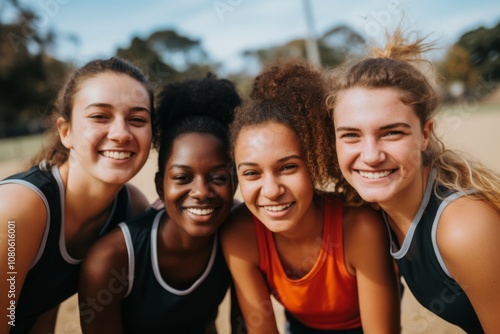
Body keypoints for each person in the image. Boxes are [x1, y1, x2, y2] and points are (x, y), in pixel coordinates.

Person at [325, 29, 500, 333]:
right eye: (351, 135)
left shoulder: (464, 228)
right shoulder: (376, 213)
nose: (371, 155)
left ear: (425, 134)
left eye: (391, 132)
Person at [221, 59, 401, 333]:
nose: (271, 191)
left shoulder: (360, 229)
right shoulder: (240, 234)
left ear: (314, 165)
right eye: (251, 173)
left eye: (288, 167)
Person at [0, 57, 155, 333]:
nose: (120, 133)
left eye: (137, 119)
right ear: (66, 132)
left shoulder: (131, 207)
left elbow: (41, 310)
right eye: (100, 116)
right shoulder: (17, 209)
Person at [79, 74, 243, 333]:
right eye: (182, 177)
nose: (201, 191)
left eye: (218, 177)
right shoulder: (112, 259)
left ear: (234, 182)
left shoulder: (239, 233)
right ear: (160, 186)